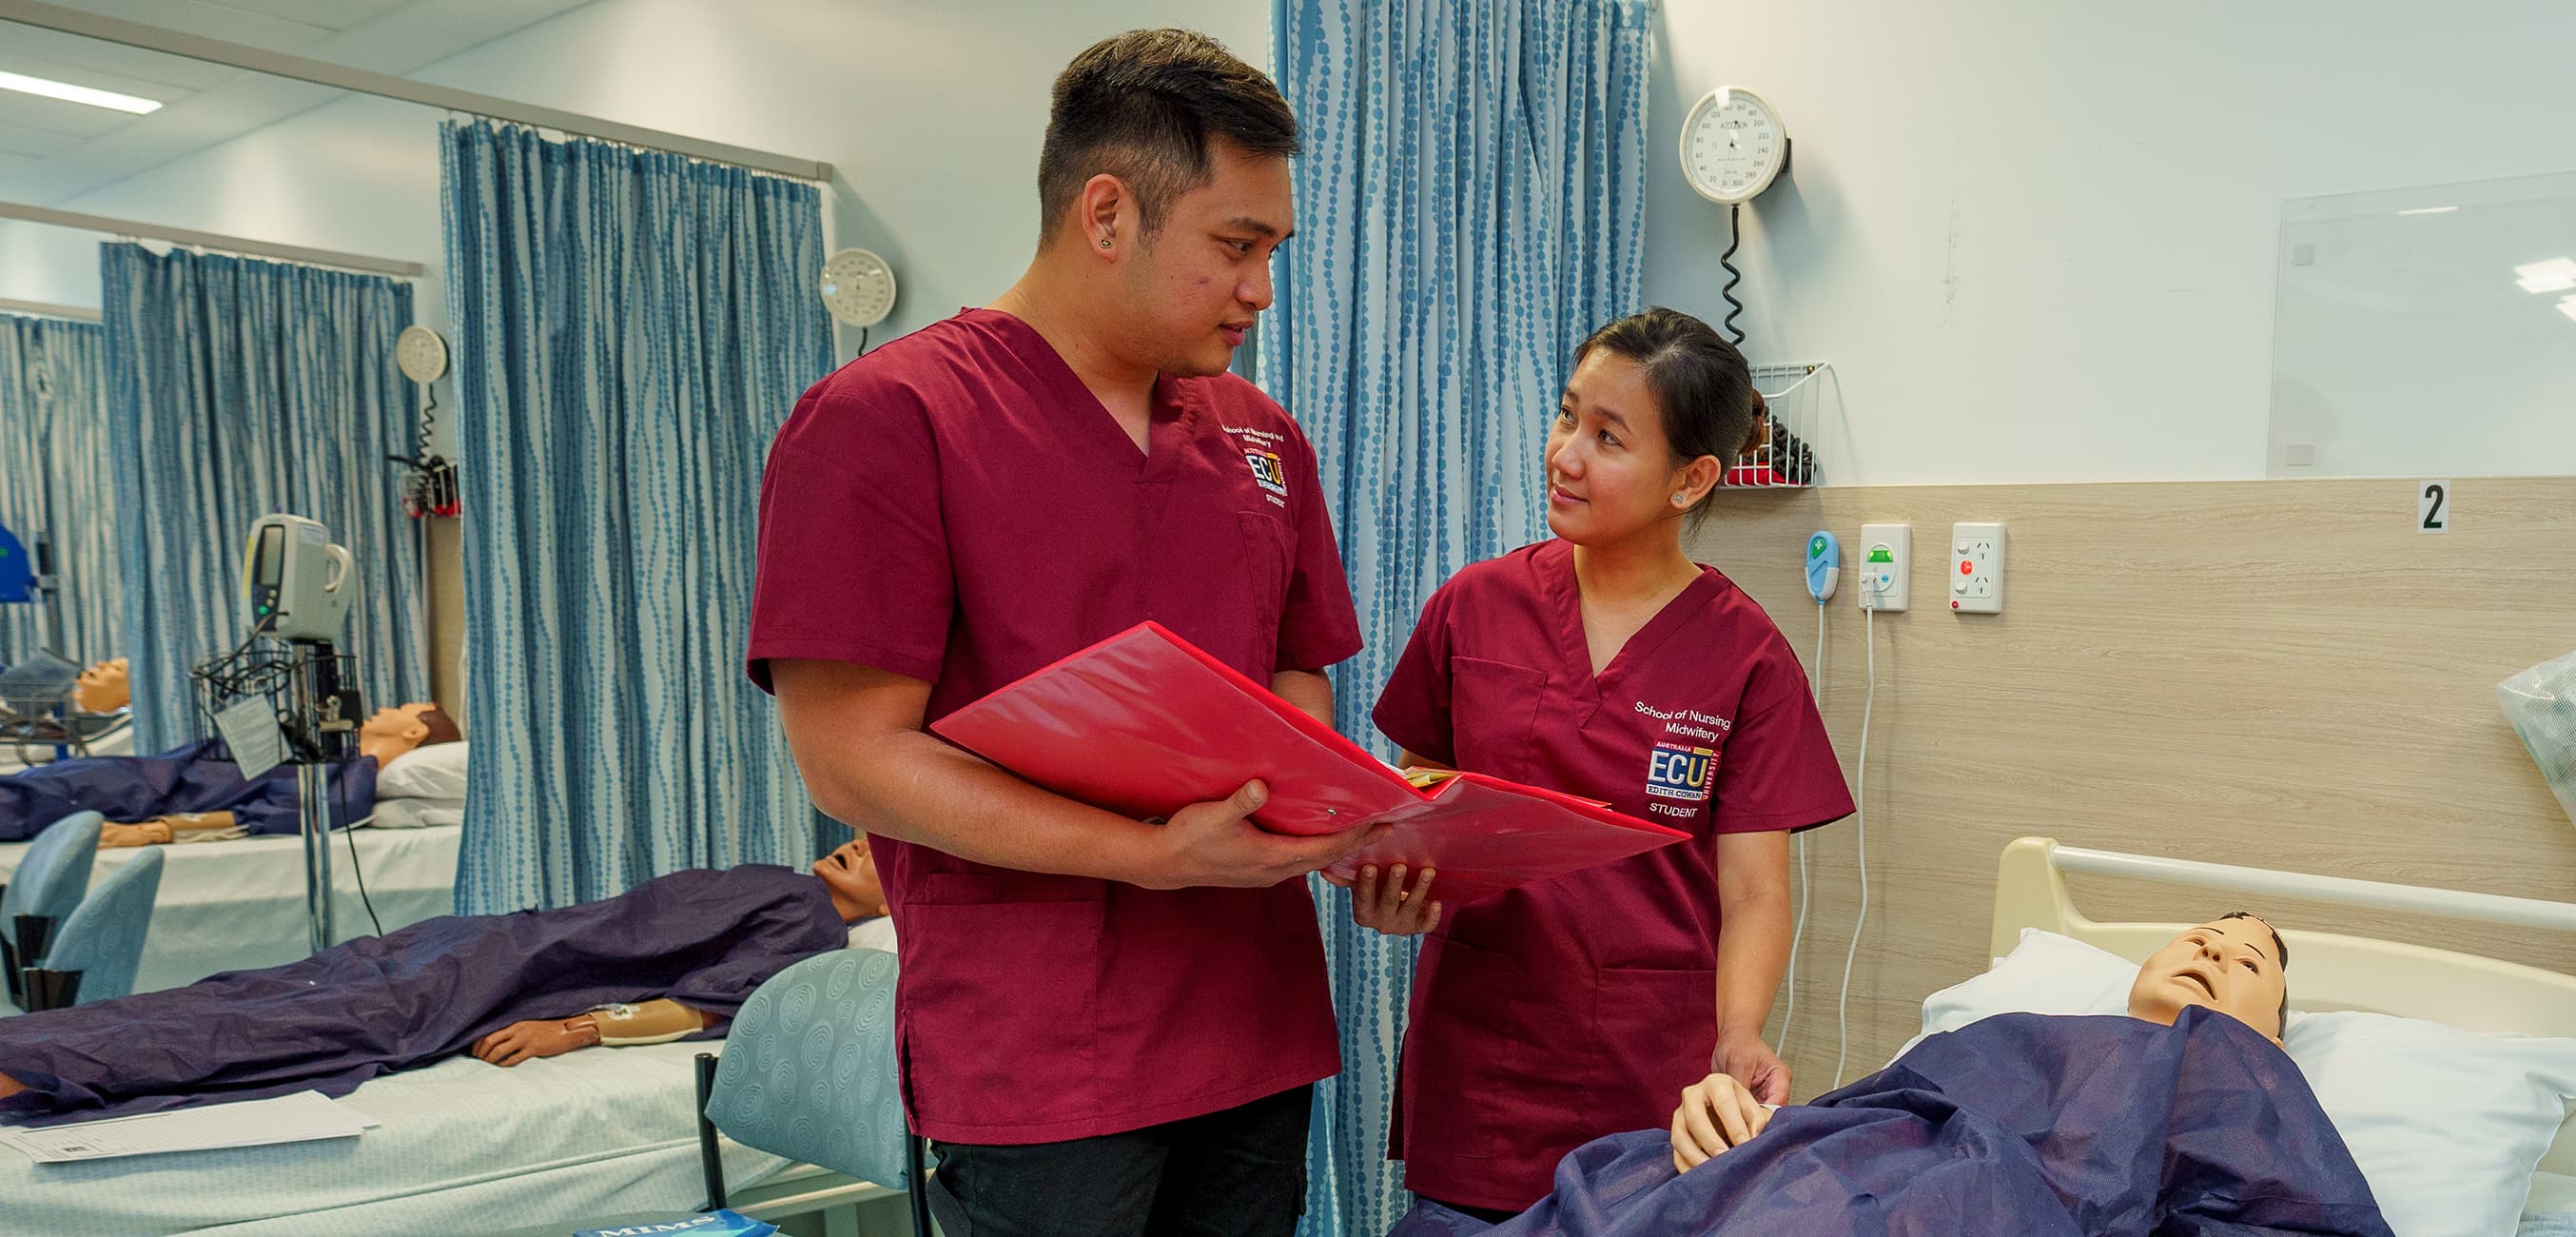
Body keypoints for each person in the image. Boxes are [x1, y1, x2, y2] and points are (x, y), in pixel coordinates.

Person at [748, 29, 1381, 1237]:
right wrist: (1149, 854)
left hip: (1250, 1013)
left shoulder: (1260, 437)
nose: (1260, 288)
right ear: (1106, 213)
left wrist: (1320, 809)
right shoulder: (886, 421)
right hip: (1043, 1045)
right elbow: (850, 761)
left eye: (1273, 251)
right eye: (1235, 246)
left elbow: (1294, 662)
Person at [1346, 307, 1857, 1223]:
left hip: (1654, 1085)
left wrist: (1739, 1034)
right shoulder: (1474, 607)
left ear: (1691, 479)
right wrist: (1394, 884)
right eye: (1567, 416)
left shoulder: (1748, 658)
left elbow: (1755, 891)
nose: (1566, 455)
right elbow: (1415, 798)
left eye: (1609, 438)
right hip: (1482, 1067)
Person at [1391, 914, 2380, 1236]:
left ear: (2275, 1033)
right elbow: (1867, 1117)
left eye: (2249, 961)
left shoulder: (2243, 1085)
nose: (2214, 948)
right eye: (2201, 935)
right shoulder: (2012, 1034)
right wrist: (1725, 1113)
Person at [0, 839, 884, 1122]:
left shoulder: (810, 924)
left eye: (885, 855)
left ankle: (34, 1070)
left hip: (487, 986)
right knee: (232, 997)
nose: (858, 843)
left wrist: (574, 1031)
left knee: (262, 1029)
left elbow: (707, 1004)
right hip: (464, 947)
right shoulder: (782, 880)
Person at [0, 702, 457, 846]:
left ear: (415, 730)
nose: (383, 707)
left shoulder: (352, 783)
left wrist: (154, 832)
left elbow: (253, 817)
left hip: (147, 793)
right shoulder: (331, 755)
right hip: (138, 773)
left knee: (17, 802)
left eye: (402, 707)